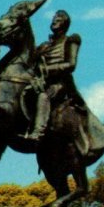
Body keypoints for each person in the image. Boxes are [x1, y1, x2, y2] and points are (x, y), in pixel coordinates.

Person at [28, 10, 83, 141]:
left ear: (65, 23)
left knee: (43, 97)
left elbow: (71, 65)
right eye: (53, 18)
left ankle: (38, 132)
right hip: (42, 81)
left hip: (61, 83)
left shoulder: (71, 39)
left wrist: (47, 69)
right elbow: (30, 62)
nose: (54, 20)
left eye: (58, 19)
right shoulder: (44, 45)